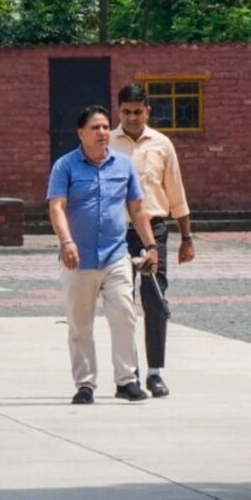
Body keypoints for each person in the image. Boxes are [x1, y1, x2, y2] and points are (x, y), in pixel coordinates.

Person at [47, 105, 158, 405]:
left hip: (115, 255)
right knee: (79, 323)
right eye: (95, 128)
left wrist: (150, 246)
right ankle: (85, 384)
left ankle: (127, 380)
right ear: (80, 133)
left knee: (124, 315)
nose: (103, 133)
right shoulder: (65, 166)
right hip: (77, 258)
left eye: (106, 127)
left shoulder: (123, 166)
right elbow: (56, 206)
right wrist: (66, 241)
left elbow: (137, 208)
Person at [111, 83, 195, 397]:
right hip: (116, 233)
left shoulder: (162, 144)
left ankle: (155, 372)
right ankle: (127, 374)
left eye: (138, 111)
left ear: (148, 111)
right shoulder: (107, 143)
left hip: (155, 231)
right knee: (120, 303)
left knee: (154, 299)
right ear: (118, 111)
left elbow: (176, 193)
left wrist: (187, 237)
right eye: (126, 112)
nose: (132, 117)